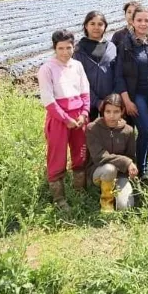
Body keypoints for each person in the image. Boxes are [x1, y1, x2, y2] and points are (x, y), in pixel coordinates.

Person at [37, 29, 90, 211]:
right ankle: (59, 199)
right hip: (59, 119)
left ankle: (80, 190)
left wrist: (84, 113)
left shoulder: (77, 66)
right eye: (61, 48)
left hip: (79, 118)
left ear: (73, 47)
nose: (65, 52)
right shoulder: (47, 69)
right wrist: (65, 118)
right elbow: (48, 100)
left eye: (69, 47)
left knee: (80, 154)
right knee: (57, 156)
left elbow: (85, 92)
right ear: (54, 48)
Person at [118, 4, 148, 175]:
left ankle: (145, 164)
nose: (143, 24)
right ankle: (141, 169)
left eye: (146, 20)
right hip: (137, 95)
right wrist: (127, 101)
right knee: (146, 129)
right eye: (139, 20)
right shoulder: (126, 45)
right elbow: (119, 75)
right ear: (133, 22)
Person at [86, 94, 139, 212]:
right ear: (102, 111)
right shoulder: (92, 128)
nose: (111, 116)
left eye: (116, 112)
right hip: (99, 172)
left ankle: (116, 192)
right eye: (108, 111)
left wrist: (131, 167)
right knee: (109, 169)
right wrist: (126, 162)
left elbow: (131, 156)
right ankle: (106, 202)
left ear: (122, 111)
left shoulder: (128, 130)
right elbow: (100, 157)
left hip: (120, 174)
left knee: (126, 207)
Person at [73, 11, 126, 121]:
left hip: (110, 102)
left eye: (100, 24)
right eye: (92, 24)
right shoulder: (78, 50)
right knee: (88, 134)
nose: (96, 27)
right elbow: (78, 80)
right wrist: (96, 101)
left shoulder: (111, 47)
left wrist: (111, 99)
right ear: (86, 26)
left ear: (105, 26)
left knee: (109, 133)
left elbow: (118, 75)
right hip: (86, 101)